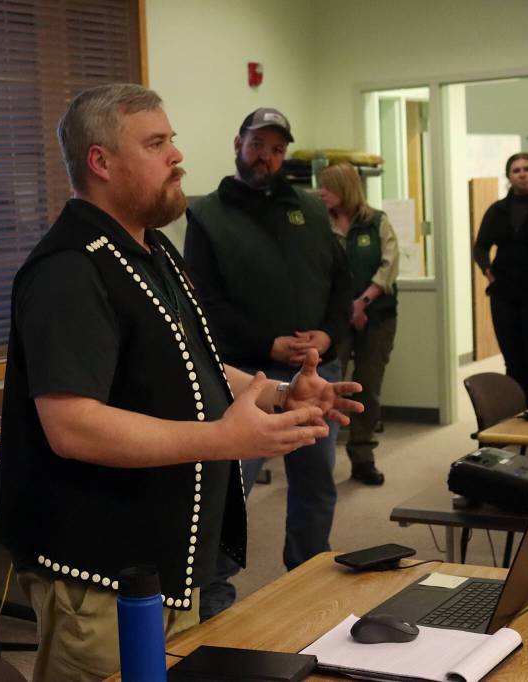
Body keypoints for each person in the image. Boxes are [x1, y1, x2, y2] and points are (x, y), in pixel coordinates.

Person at [0, 85, 362, 682]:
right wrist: (221, 440)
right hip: (104, 573)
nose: (177, 156)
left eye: (172, 140)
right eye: (156, 143)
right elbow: (71, 427)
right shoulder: (68, 269)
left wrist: (276, 392)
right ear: (101, 162)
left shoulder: (153, 248)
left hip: (169, 556)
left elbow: (199, 362)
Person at [183, 108, 352, 619]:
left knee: (316, 481)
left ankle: (309, 575)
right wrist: (269, 344)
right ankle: (214, 595)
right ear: (239, 143)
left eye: (277, 149)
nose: (267, 157)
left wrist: (329, 332)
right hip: (245, 378)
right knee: (229, 490)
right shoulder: (207, 215)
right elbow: (202, 305)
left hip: (315, 374)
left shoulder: (309, 208)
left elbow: (340, 283)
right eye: (259, 145)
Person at [318, 162, 399, 486]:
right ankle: (319, 460)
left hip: (377, 317)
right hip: (335, 322)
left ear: (345, 188)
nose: (321, 192)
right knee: (328, 386)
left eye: (328, 186)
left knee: (367, 386)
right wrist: (346, 310)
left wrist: (361, 303)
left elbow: (389, 266)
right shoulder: (320, 226)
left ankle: (363, 458)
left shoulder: (377, 221)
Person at [473, 152, 528, 398]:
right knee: (512, 355)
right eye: (516, 170)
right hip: (505, 293)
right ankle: (517, 409)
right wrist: (488, 273)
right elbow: (481, 246)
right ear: (509, 176)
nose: (522, 174)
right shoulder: (497, 210)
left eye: (527, 168)